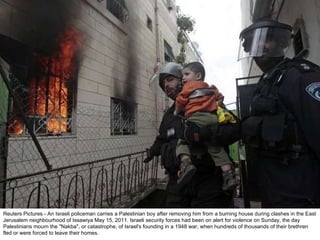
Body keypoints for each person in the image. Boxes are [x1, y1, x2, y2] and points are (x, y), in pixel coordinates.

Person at [239, 19, 320, 207]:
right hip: (274, 192)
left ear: (281, 43)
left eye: (266, 40)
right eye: (253, 44)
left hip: (301, 195)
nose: (259, 47)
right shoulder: (266, 83)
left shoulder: (300, 76)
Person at [144, 62, 236, 208]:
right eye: (163, 83)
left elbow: (234, 129)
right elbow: (162, 138)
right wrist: (152, 152)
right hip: (178, 180)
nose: (166, 85)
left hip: (208, 180)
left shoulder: (205, 101)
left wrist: (207, 133)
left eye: (169, 79)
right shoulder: (169, 114)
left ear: (182, 79)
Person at [173, 62, 238, 191]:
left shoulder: (188, 88)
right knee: (215, 147)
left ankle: (186, 164)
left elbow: (180, 101)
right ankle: (228, 175)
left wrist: (176, 111)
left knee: (182, 140)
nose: (183, 78)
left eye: (186, 74)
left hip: (196, 118)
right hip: (213, 119)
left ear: (198, 76)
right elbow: (220, 97)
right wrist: (217, 104)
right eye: (182, 76)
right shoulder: (211, 88)